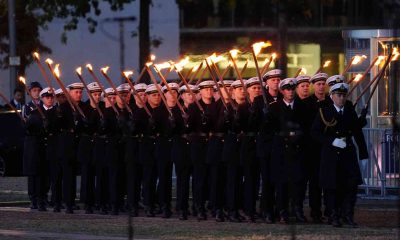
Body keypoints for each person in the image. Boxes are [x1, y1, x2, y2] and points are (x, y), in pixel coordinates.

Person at [311, 82, 368, 228]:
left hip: (347, 153)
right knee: (332, 187)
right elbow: (315, 133)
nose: (341, 98)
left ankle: (347, 215)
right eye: (338, 95)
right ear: (332, 96)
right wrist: (331, 141)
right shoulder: (324, 111)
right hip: (331, 155)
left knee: (350, 186)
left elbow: (357, 132)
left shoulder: (349, 110)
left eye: (344, 95)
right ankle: (333, 215)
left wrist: (363, 154)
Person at [266, 78, 308, 224]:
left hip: (297, 150)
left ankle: (297, 210)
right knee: (281, 183)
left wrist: (298, 136)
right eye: (287, 89)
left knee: (298, 182)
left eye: (292, 89)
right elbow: (269, 130)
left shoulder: (302, 107)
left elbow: (306, 127)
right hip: (281, 150)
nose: (290, 92)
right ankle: (282, 211)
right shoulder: (274, 107)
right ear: (282, 91)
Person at [187, 80, 215, 221]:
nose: (209, 92)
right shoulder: (194, 107)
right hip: (198, 145)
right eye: (206, 89)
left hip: (213, 145)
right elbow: (189, 128)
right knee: (199, 178)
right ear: (201, 92)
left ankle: (212, 205)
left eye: (211, 89)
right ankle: (199, 207)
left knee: (213, 177)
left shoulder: (217, 106)